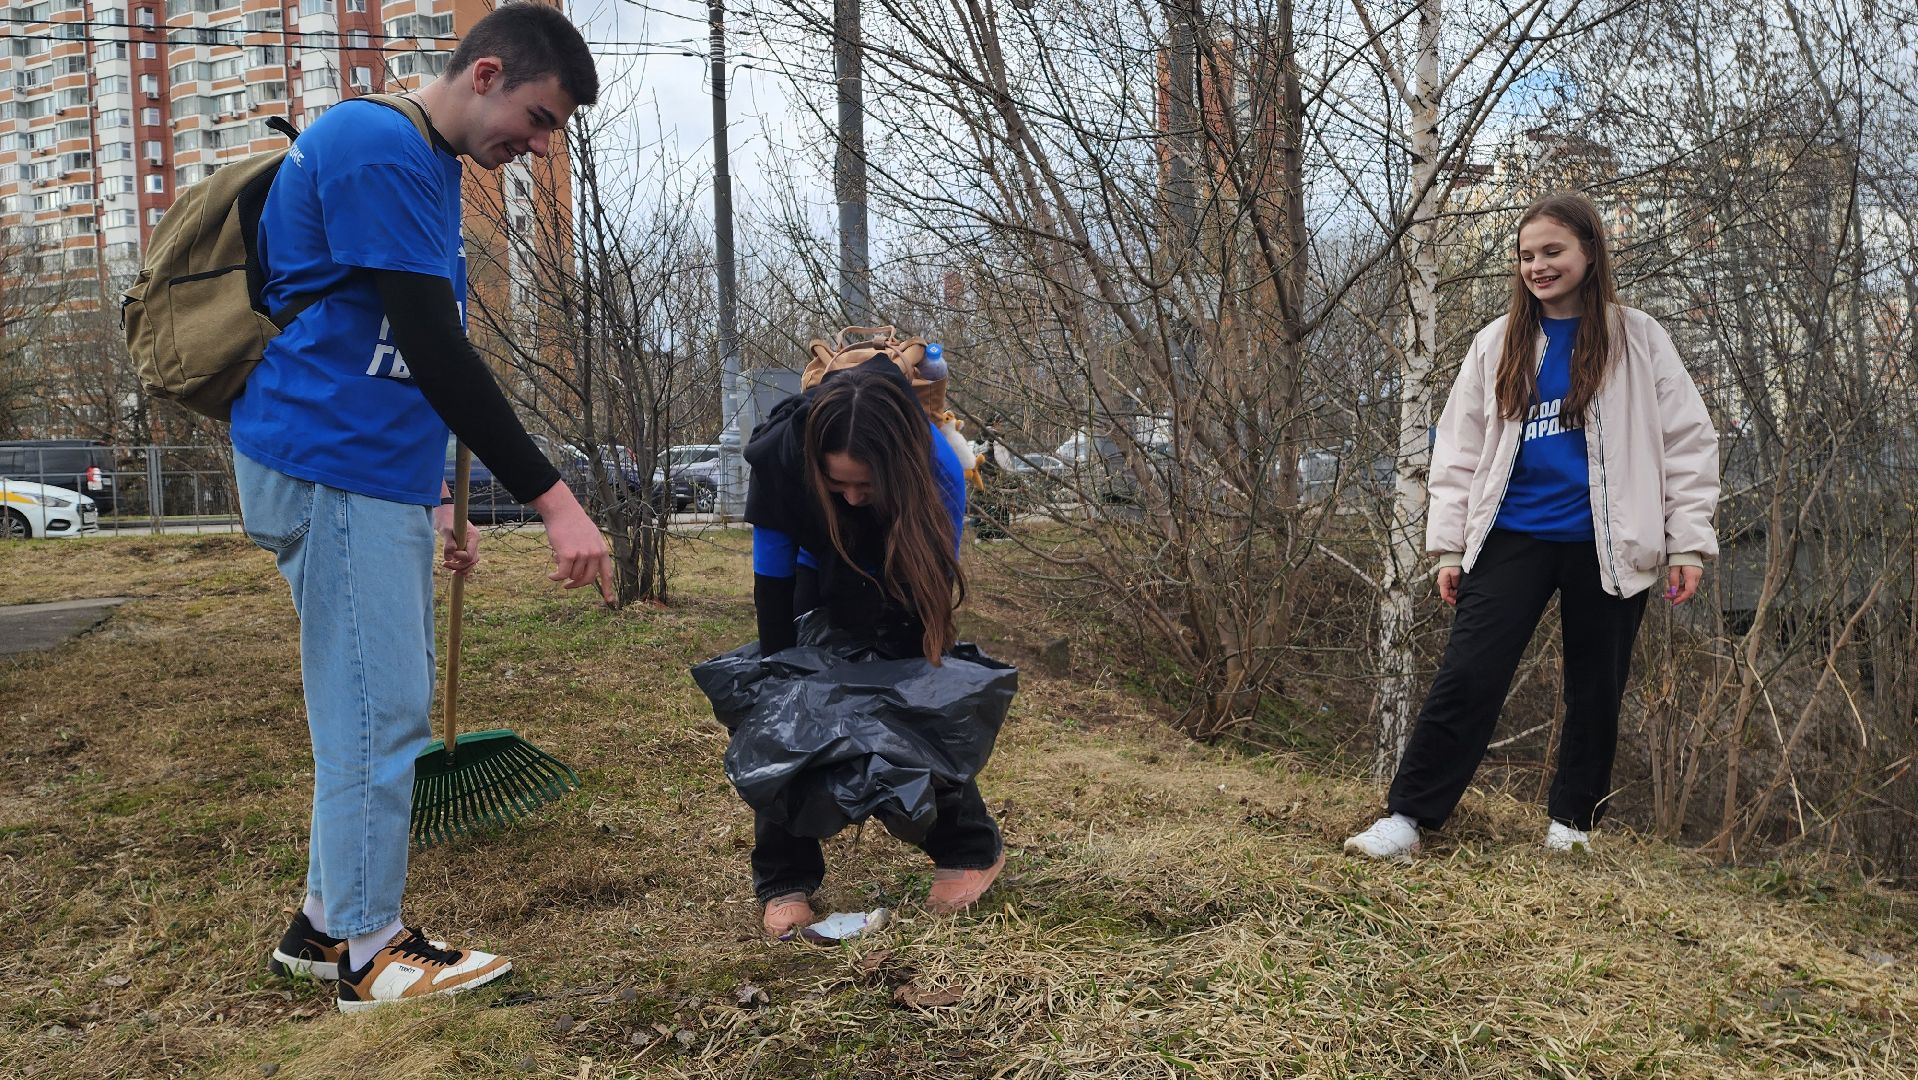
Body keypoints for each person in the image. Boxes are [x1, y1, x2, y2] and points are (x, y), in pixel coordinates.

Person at [231, 4, 614, 1012]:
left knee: (371, 698)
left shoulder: (427, 165)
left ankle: (321, 927)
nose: (533, 148)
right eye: (535, 119)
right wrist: (553, 499)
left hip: (370, 471)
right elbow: (439, 353)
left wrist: (440, 495)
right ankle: (371, 952)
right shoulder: (374, 144)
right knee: (377, 708)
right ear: (484, 73)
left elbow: (398, 352)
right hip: (328, 462)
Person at [1344, 192, 1719, 861]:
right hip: (1512, 535)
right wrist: (1449, 547)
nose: (1538, 266)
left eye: (1553, 251)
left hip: (1609, 542)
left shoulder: (1638, 338)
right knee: (1468, 676)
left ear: (1589, 252)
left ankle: (1572, 828)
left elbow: (1688, 442)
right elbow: (1457, 450)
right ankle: (1408, 818)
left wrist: (1688, 539)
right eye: (1526, 255)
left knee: (1596, 689)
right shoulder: (1497, 341)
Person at [743, 357, 1005, 939]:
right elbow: (773, 575)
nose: (855, 498)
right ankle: (785, 876)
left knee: (915, 701)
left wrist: (912, 663)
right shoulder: (781, 458)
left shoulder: (936, 466)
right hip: (812, 567)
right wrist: (780, 672)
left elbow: (934, 580)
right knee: (787, 707)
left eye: (868, 484)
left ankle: (969, 847)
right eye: (839, 484)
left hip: (903, 558)